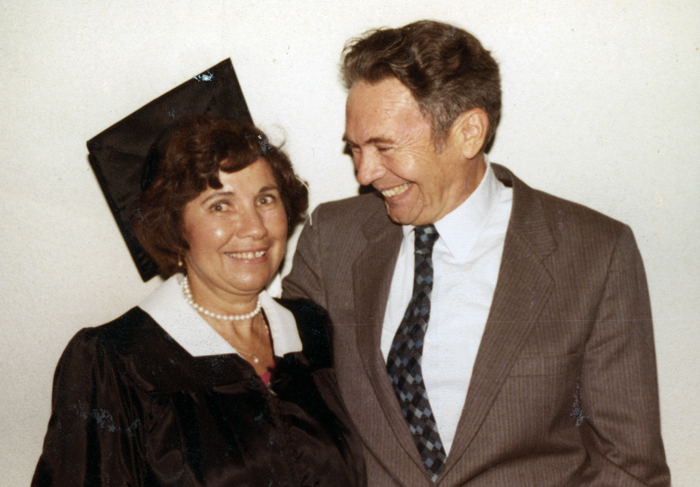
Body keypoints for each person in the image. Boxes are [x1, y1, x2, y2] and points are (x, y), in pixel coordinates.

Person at [282, 20, 670, 486]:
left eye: (385, 147)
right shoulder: (331, 238)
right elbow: (280, 408)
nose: (364, 173)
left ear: (469, 132)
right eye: (355, 149)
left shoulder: (595, 253)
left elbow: (629, 465)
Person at [32, 117, 366, 487]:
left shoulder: (312, 332)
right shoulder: (118, 362)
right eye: (221, 206)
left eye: (265, 199)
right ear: (174, 226)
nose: (255, 227)